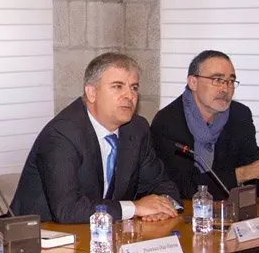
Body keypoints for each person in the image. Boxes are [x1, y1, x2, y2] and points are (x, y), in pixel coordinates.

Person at [11, 52, 180, 224]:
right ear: (91, 92)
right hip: (40, 237)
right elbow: (67, 210)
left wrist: (162, 207)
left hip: (101, 236)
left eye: (134, 87)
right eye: (117, 86)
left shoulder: (136, 129)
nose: (129, 95)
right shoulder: (62, 134)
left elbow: (161, 185)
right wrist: (135, 208)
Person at [151, 50, 259, 201]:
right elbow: (181, 188)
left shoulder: (240, 115)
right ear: (193, 83)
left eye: (231, 81)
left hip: (229, 212)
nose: (225, 89)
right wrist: (244, 173)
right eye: (217, 80)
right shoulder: (168, 121)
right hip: (187, 214)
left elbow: (253, 167)